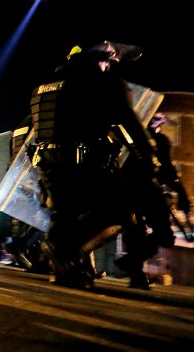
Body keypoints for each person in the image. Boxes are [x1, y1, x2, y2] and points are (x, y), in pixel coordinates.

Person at [29, 41, 175, 290]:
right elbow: (130, 124)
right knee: (122, 209)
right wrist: (151, 160)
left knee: (65, 215)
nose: (112, 64)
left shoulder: (46, 85)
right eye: (110, 58)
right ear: (100, 58)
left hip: (48, 164)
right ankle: (64, 249)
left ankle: (64, 266)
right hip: (81, 163)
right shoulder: (101, 82)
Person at [147, 113, 191, 221]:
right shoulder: (158, 138)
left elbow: (165, 159)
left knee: (178, 188)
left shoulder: (160, 138)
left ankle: (185, 211)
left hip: (162, 170)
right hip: (156, 171)